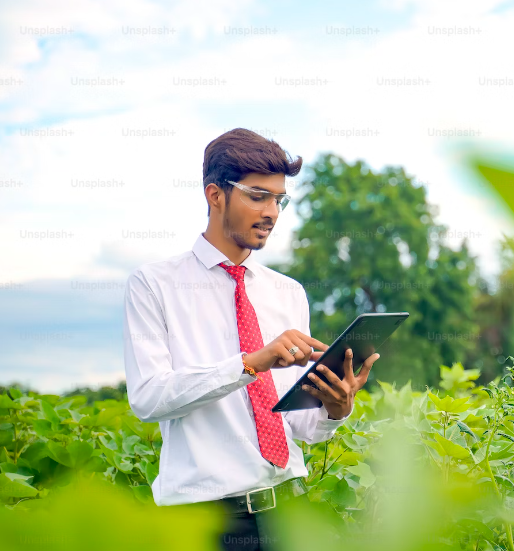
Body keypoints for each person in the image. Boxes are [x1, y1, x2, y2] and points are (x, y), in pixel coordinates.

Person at [122, 128, 379, 550]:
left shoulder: (287, 292)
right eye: (257, 196)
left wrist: (334, 409)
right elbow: (148, 398)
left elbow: (298, 427)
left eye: (279, 199)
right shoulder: (154, 285)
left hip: (287, 511)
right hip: (203, 520)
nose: (272, 212)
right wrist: (250, 363)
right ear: (215, 195)